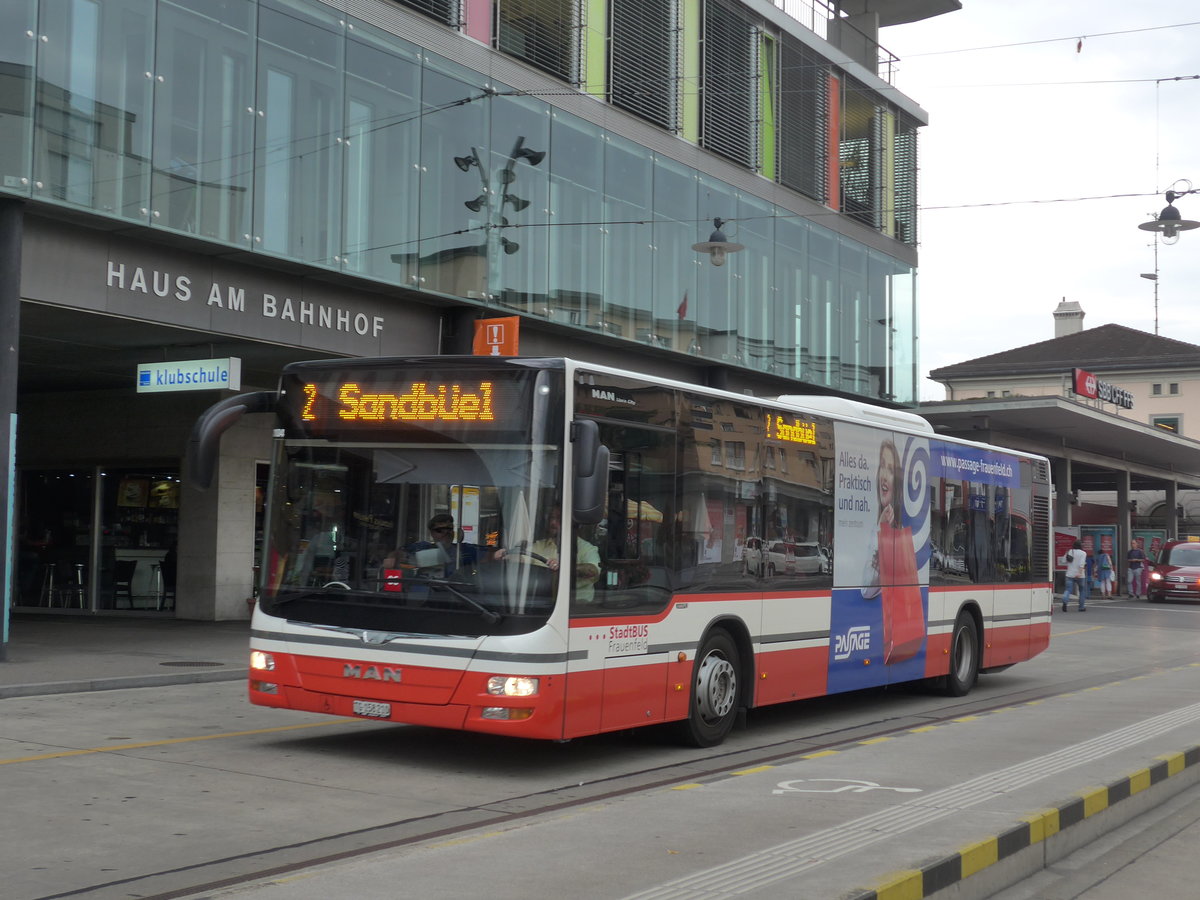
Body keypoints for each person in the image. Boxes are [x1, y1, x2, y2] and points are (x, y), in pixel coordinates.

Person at [496, 509, 600, 603]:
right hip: (542, 603)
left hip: (576, 607)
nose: (553, 523)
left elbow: (593, 571)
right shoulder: (539, 546)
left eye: (559, 518)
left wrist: (565, 567)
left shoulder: (586, 548)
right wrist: (507, 556)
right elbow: (522, 558)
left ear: (572, 523)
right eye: (551, 518)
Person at [384, 514, 478, 577]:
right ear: (432, 533)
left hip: (459, 597)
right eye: (440, 530)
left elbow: (487, 554)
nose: (446, 532)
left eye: (449, 529)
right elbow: (398, 554)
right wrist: (393, 557)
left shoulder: (464, 550)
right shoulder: (421, 547)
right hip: (427, 597)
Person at [1061, 539, 1087, 612]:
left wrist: (1067, 554)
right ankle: (1081, 607)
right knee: (1082, 590)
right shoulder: (1083, 553)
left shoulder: (1070, 551)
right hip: (1080, 575)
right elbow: (1082, 564)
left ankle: (1065, 600)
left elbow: (1063, 561)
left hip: (1070, 574)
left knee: (1068, 589)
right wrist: (1079, 573)